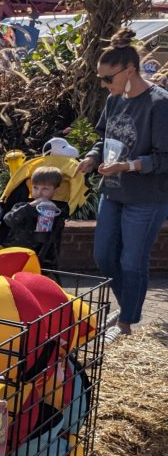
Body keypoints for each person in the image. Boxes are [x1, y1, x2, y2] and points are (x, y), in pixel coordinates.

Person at [76, 28, 168, 336]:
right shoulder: (114, 99)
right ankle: (127, 308)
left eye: (107, 78)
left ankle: (126, 322)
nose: (104, 85)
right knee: (104, 256)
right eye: (100, 78)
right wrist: (92, 158)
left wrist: (127, 166)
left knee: (132, 261)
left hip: (147, 197)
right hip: (113, 192)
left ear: (129, 70)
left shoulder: (159, 104)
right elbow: (104, 139)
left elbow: (165, 158)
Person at [0, 166, 68, 266]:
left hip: (35, 257)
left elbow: (55, 242)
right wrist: (30, 206)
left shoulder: (56, 212)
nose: (39, 193)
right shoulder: (21, 206)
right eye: (35, 188)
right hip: (11, 250)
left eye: (45, 189)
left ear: (55, 191)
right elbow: (8, 220)